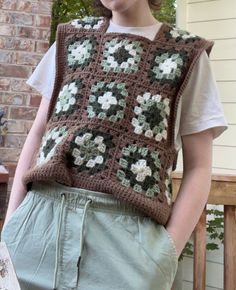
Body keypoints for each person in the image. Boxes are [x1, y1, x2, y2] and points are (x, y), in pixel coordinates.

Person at [1, 0, 227, 289]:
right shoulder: (70, 41)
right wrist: (10, 227)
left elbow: (199, 166)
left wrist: (165, 256)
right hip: (35, 233)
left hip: (126, 252)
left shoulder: (186, 56)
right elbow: (37, 134)